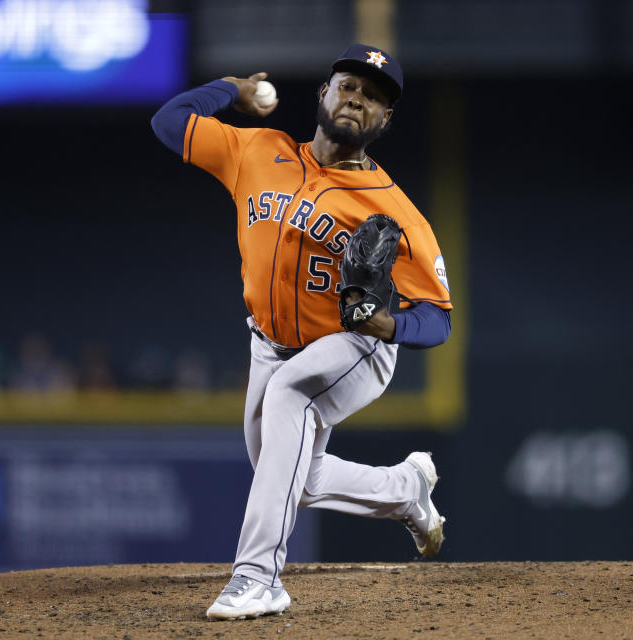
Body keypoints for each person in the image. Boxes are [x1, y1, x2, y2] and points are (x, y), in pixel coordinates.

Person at [151, 44, 453, 619]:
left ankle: (257, 577)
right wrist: (232, 90)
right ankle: (406, 488)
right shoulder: (256, 150)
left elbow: (437, 317)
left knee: (293, 396)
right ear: (324, 93)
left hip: (355, 347)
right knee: (292, 474)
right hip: (269, 344)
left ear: (384, 121)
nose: (358, 99)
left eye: (375, 98)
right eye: (350, 85)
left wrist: (386, 322)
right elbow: (168, 122)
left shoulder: (395, 210)